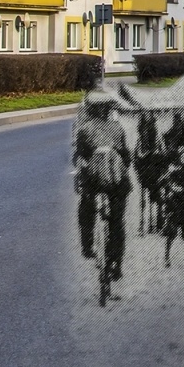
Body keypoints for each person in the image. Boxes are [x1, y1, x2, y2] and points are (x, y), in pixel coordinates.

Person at [74, 93, 133, 283]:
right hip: (116, 185)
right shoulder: (118, 128)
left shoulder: (84, 130)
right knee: (117, 222)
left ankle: (87, 246)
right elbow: (126, 158)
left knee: (85, 210)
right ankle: (117, 263)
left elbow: (80, 158)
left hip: (93, 183)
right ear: (109, 109)